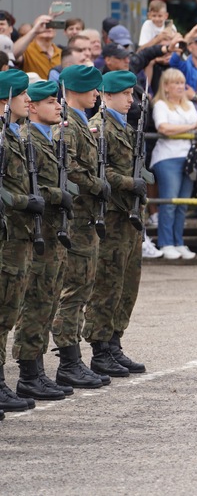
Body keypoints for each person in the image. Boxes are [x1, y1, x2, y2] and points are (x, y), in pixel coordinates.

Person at [83, 70, 148, 377]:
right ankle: (99, 349)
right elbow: (98, 171)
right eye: (124, 94)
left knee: (127, 284)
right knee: (107, 284)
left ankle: (114, 342)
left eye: (131, 94)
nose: (130, 99)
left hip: (130, 219)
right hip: (111, 217)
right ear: (107, 95)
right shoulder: (98, 128)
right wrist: (130, 182)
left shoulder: (127, 127)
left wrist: (142, 178)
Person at [14, 81, 74, 402]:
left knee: (48, 301)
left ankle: (37, 370)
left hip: (53, 234)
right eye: (51, 102)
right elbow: (29, 187)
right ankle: (28, 373)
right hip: (35, 233)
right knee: (34, 303)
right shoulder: (28, 140)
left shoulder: (49, 139)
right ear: (34, 107)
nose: (59, 106)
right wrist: (56, 195)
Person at [51, 64, 110, 388]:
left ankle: (74, 358)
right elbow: (69, 168)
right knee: (73, 290)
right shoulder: (67, 125)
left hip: (86, 218)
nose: (97, 94)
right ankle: (68, 360)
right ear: (75, 90)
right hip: (75, 218)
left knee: (83, 286)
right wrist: (95, 183)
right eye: (93, 89)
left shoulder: (80, 122)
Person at [0, 70, 46, 411]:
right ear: (5, 100)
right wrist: (23, 201)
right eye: (22, 95)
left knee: (8, 312)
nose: (28, 100)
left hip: (19, 235)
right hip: (8, 236)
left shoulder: (13, 135)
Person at [151, 68, 197, 260]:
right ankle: (166, 243)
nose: (180, 87)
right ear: (166, 86)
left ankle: (179, 242)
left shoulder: (188, 105)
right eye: (176, 83)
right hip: (168, 157)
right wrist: (192, 127)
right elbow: (163, 128)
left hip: (189, 158)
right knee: (169, 202)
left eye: (182, 83)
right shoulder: (160, 105)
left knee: (183, 203)